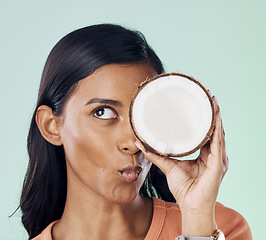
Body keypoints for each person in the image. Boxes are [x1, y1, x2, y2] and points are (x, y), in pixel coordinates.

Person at [20, 24, 252, 240]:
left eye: (143, 117)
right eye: (103, 112)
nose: (133, 142)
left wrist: (197, 217)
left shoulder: (220, 227)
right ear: (51, 126)